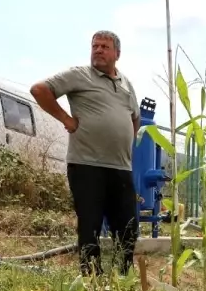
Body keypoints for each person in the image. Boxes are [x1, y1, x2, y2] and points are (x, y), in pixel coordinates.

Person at [31, 30, 140, 277]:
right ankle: (92, 281)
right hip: (87, 165)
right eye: (95, 46)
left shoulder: (126, 84)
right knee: (89, 225)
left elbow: (135, 117)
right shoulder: (79, 75)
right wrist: (66, 119)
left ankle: (124, 277)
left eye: (104, 46)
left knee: (128, 228)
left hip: (121, 168)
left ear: (117, 54)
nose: (98, 50)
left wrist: (126, 140)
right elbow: (39, 90)